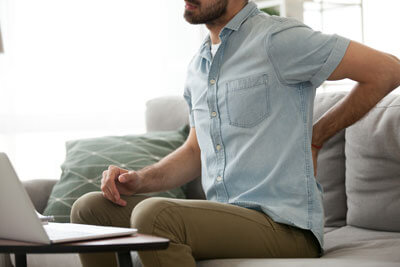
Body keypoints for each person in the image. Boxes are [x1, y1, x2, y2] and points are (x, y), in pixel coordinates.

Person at [70, 1, 400, 266]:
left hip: (284, 227)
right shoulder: (198, 66)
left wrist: (318, 135)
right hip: (227, 217)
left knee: (153, 216)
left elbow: (387, 70)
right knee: (89, 210)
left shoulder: (278, 39)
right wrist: (138, 179)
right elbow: (195, 151)